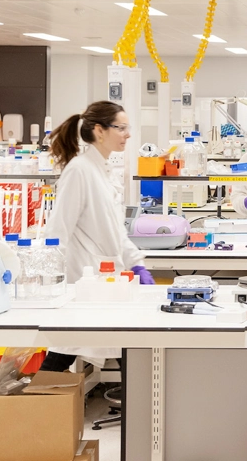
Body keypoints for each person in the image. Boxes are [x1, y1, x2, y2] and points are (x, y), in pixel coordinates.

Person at [39, 101, 155, 372]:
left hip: (105, 281)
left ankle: (37, 406)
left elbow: (115, 230)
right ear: (99, 131)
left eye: (128, 128)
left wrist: (135, 262)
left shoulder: (102, 170)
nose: (127, 134)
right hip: (84, 280)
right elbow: (57, 230)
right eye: (121, 128)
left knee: (113, 350)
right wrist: (51, 284)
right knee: (68, 347)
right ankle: (32, 409)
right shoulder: (80, 170)